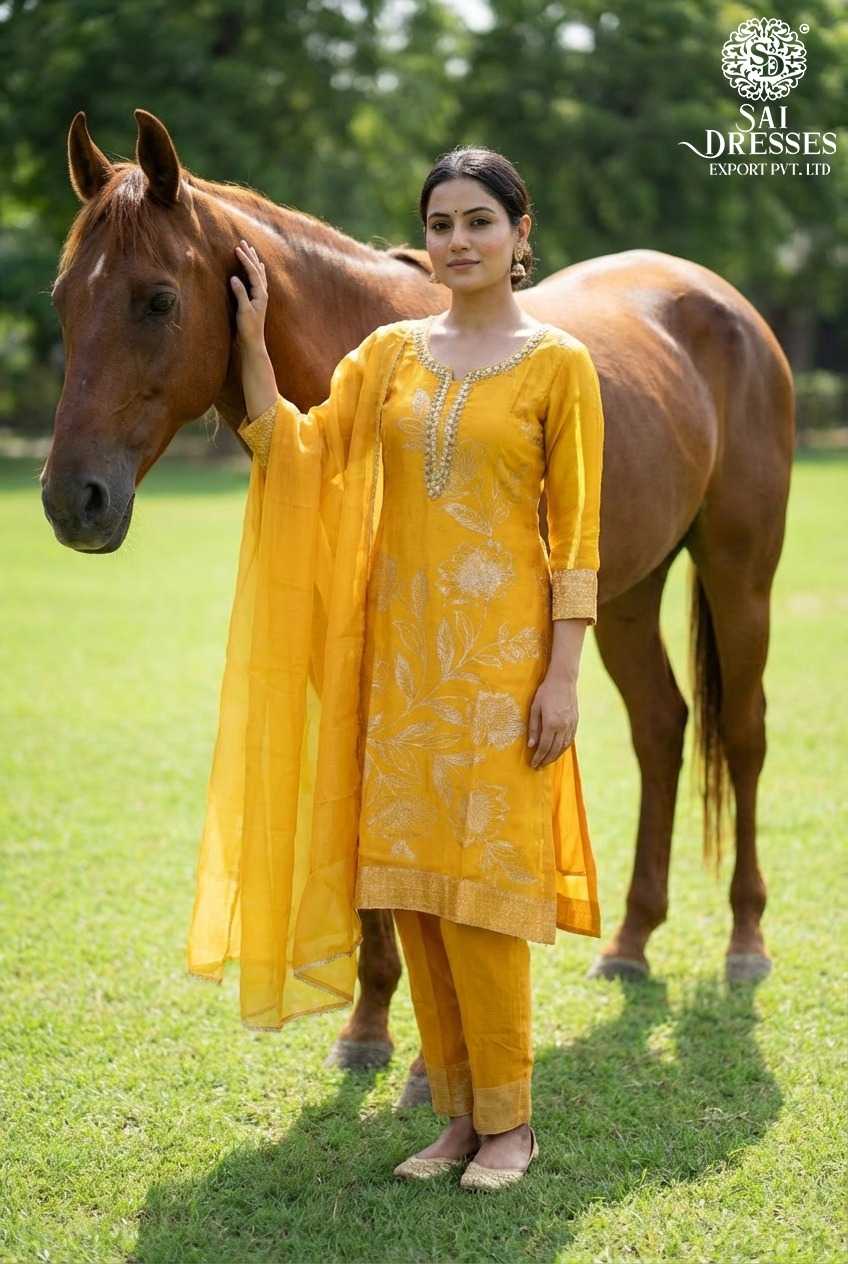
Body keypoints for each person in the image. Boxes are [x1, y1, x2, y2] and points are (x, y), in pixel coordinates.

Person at [187, 146, 604, 1192]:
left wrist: (560, 676)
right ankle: (458, 1119)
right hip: (402, 674)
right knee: (416, 898)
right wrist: (248, 343)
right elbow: (298, 448)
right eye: (440, 222)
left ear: (518, 234)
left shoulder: (559, 364)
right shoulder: (388, 355)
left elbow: (576, 536)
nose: (456, 241)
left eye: (477, 222)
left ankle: (510, 1125)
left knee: (485, 897)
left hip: (506, 673)